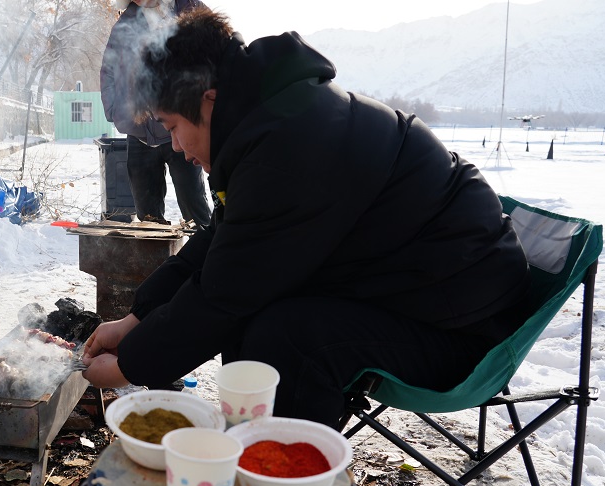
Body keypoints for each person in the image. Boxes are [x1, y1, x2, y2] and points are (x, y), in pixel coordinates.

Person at [81, 9, 532, 427]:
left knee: (284, 337)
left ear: (209, 98)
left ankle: (281, 474)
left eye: (173, 127)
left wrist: (129, 367)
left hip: (462, 329)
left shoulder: (291, 146)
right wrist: (136, 320)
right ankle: (255, 448)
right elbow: (223, 245)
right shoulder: (274, 121)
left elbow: (226, 293)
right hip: (416, 291)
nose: (176, 147)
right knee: (257, 316)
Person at [101, 0, 212, 228]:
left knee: (195, 211)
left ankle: (206, 249)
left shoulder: (188, 7)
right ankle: (157, 254)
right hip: (139, 133)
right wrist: (115, 112)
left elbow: (217, 53)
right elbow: (108, 69)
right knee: (148, 221)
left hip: (183, 128)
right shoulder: (125, 22)